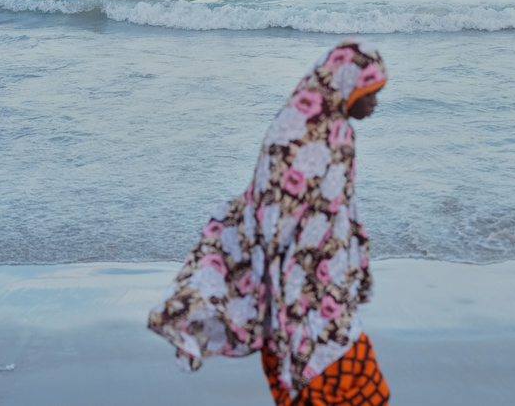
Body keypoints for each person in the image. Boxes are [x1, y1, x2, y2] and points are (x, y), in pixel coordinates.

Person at [148, 39, 391, 406]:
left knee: (356, 386)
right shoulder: (295, 129)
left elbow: (339, 211)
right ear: (346, 83)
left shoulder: (340, 131)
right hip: (295, 285)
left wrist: (350, 264)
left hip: (328, 281)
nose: (375, 103)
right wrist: (289, 285)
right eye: (371, 93)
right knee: (349, 382)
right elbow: (270, 210)